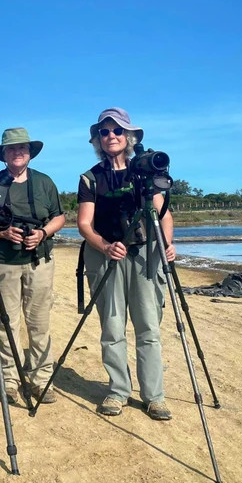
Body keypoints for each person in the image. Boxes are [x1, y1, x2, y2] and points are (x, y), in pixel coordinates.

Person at [77, 107, 176, 421]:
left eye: (117, 130)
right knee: (112, 327)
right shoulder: (90, 178)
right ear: (98, 139)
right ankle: (118, 391)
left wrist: (168, 245)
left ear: (129, 136)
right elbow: (84, 224)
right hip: (107, 255)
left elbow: (163, 215)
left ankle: (154, 397)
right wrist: (106, 246)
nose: (111, 136)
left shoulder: (145, 172)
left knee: (148, 326)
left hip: (145, 255)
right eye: (104, 132)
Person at [0, 128, 66, 404]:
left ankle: (41, 380)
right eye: (11, 149)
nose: (18, 153)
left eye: (22, 149)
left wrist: (42, 234)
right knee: (7, 321)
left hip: (39, 261)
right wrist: (2, 233)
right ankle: (10, 379)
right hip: (2, 261)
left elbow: (59, 217)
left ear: (29, 153)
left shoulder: (44, 183)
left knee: (39, 321)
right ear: (3, 154)